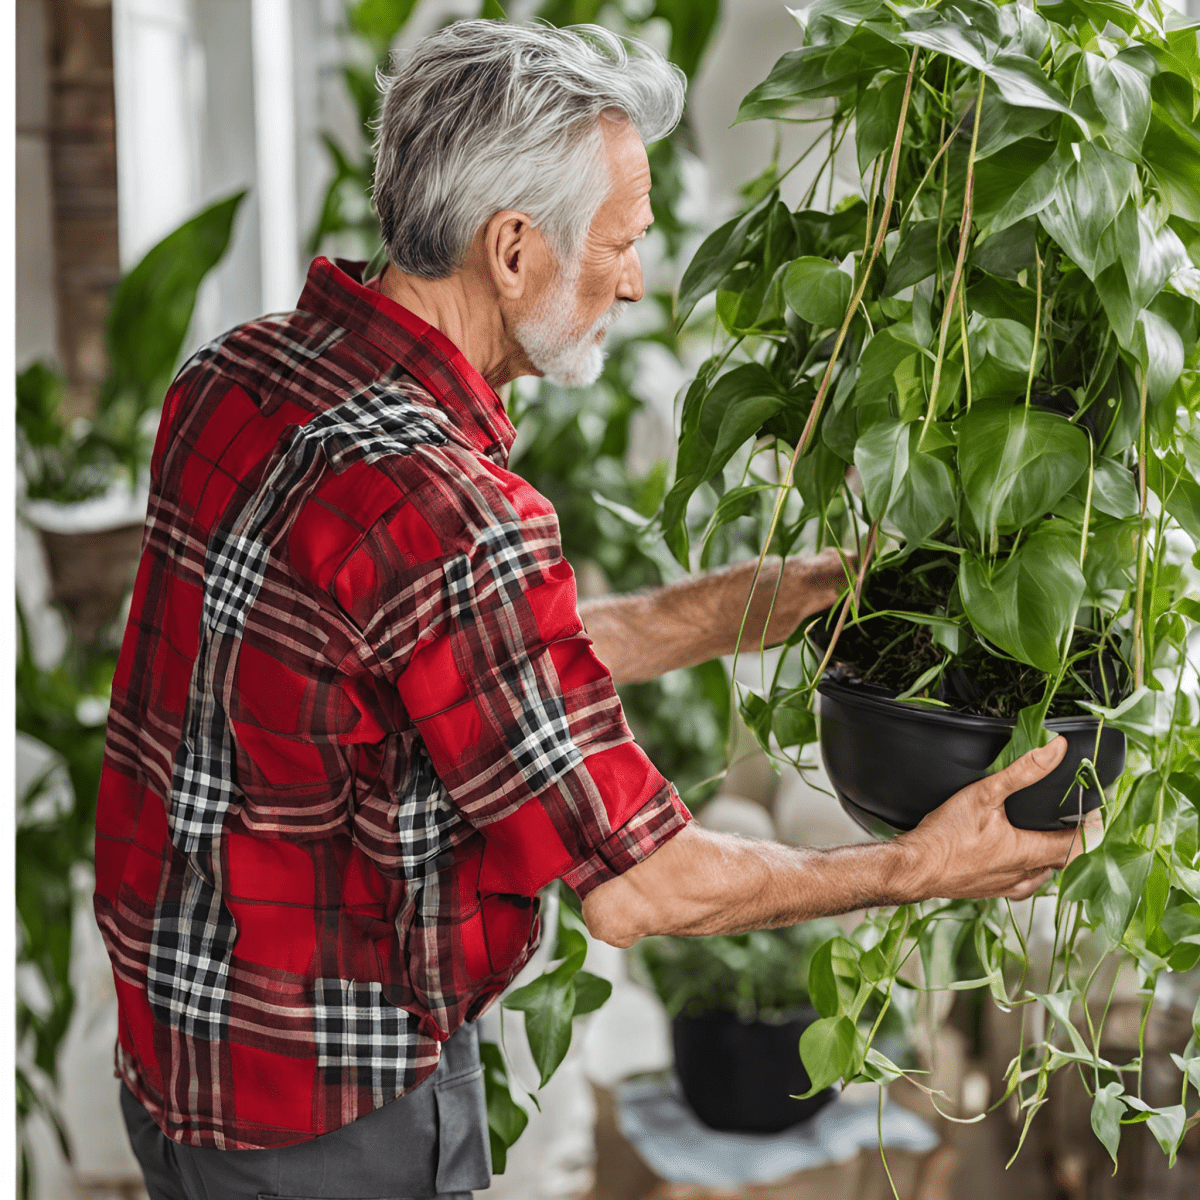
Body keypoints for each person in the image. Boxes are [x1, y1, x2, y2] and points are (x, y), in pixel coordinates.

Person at [94, 20, 1093, 1200]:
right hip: (326, 1114)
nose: (632, 276)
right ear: (511, 248)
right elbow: (644, 886)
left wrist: (778, 598)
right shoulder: (450, 510)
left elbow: (458, 668)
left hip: (179, 1049)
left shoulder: (239, 376)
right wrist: (915, 868)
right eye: (619, 242)